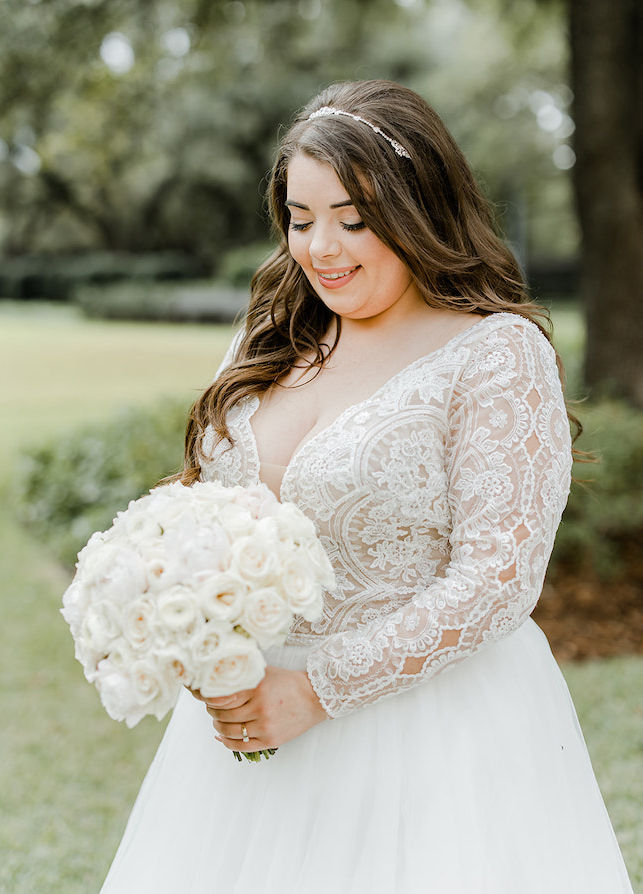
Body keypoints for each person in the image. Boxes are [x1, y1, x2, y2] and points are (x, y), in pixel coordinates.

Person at [100, 80, 634, 893]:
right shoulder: (272, 335)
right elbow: (206, 505)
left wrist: (317, 689)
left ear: (422, 209)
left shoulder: (493, 354)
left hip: (429, 737)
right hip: (248, 730)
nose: (322, 248)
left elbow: (500, 578)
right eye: (301, 218)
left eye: (353, 219)